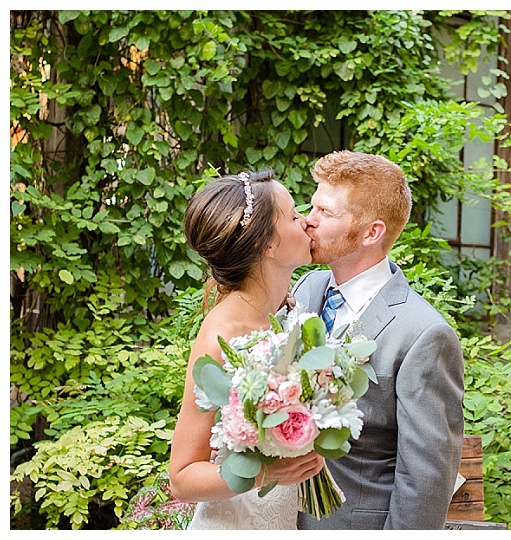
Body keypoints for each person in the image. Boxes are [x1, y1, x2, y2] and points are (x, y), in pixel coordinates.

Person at [292, 150, 464, 530]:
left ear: (372, 232)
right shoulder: (306, 288)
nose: (308, 221)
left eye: (326, 213)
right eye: (311, 206)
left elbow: (426, 479)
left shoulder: (423, 334)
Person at [169, 169, 325, 529]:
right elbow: (182, 477)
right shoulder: (222, 336)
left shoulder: (291, 315)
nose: (306, 222)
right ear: (265, 245)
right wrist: (265, 472)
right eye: (293, 216)